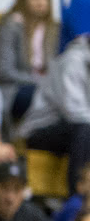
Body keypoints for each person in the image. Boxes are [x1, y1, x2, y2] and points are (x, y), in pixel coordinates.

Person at [20, 34, 90, 188]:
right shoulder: (72, 60)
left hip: (74, 131)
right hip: (41, 129)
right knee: (85, 131)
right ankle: (78, 199)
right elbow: (73, 112)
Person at [0, 0, 60, 121]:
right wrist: (39, 81)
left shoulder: (53, 29)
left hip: (44, 87)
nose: (40, 1)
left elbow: (55, 67)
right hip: (16, 88)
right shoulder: (11, 25)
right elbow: (5, 71)